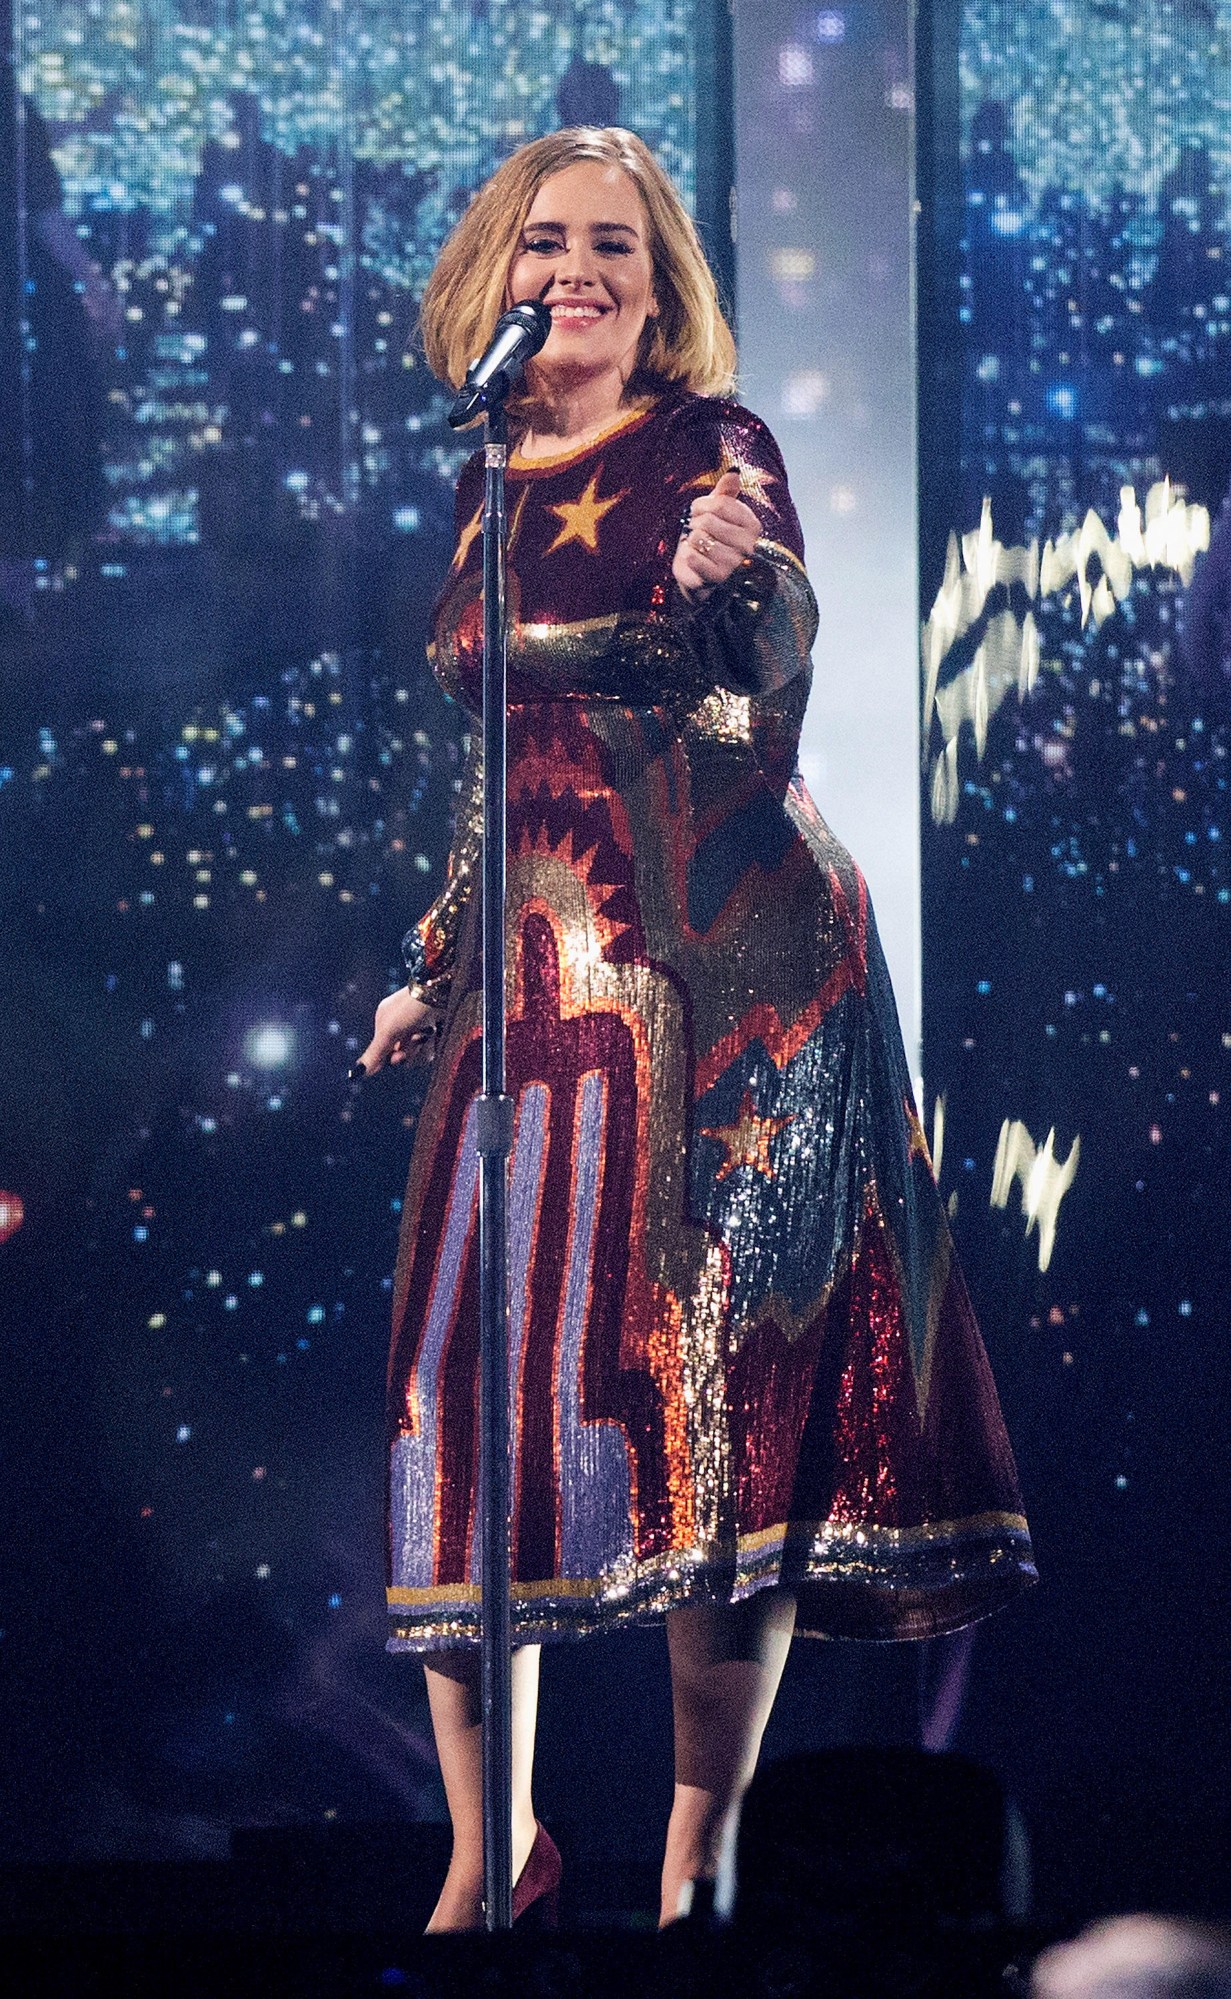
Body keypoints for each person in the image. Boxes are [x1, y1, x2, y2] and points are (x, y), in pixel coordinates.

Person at [357, 125, 1036, 1932]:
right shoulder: (489, 464)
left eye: (616, 250)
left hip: (724, 974)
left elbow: (757, 714)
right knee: (461, 1398)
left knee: (704, 1397)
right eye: (544, 241)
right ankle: (487, 1852)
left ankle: (695, 1858)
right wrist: (435, 950)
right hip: (529, 985)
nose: (575, 270)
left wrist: (743, 593)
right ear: (492, 270)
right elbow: (495, 764)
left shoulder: (710, 453)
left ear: (665, 296)